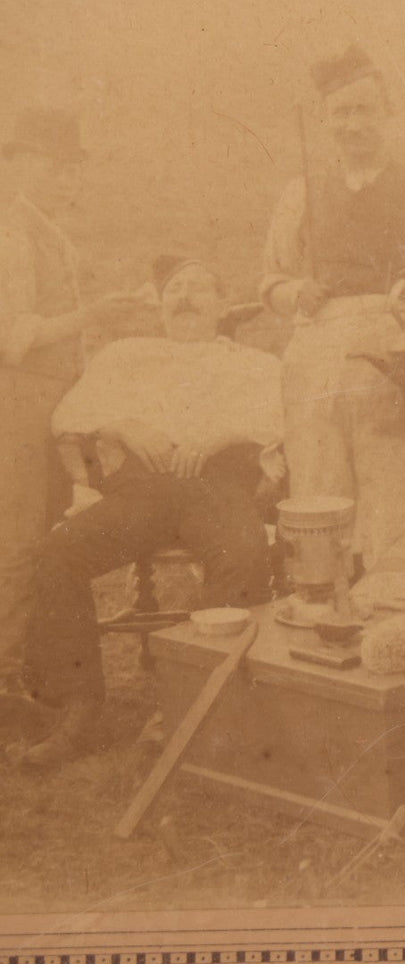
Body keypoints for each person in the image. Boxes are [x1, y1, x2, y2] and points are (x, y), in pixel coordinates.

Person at [14, 257, 283, 767]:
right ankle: (77, 707)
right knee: (58, 554)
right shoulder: (127, 355)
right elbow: (71, 414)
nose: (185, 296)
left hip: (215, 484)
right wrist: (123, 426)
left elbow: (277, 419)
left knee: (246, 555)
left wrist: (218, 436)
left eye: (200, 287)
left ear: (223, 306)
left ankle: (191, 703)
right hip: (141, 491)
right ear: (159, 306)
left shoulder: (252, 363)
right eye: (175, 288)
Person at [259, 44, 405, 567]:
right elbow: (271, 278)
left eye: (365, 110)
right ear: (326, 121)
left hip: (388, 355)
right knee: (318, 495)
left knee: (390, 497)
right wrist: (293, 293)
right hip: (316, 360)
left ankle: (383, 610)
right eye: (341, 113)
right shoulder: (300, 192)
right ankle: (322, 608)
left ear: (388, 113)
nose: (353, 125)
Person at [0, 108, 145, 695]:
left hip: (50, 401)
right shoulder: (11, 232)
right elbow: (14, 336)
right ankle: (7, 679)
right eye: (56, 166)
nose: (68, 179)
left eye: (73, 169)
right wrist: (96, 315)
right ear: (21, 164)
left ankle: (32, 672)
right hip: (19, 400)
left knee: (45, 534)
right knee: (20, 539)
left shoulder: (46, 229)